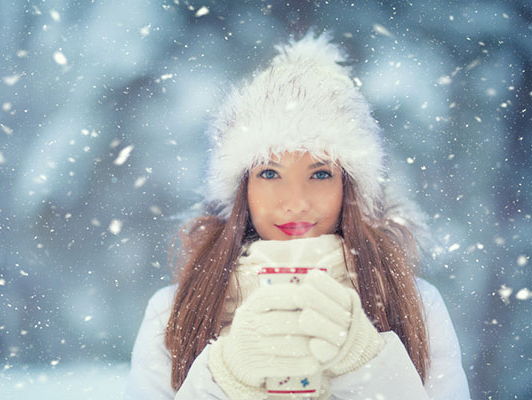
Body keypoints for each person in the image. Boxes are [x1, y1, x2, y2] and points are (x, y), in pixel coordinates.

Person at [124, 32, 471, 399]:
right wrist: (225, 376)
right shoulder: (174, 310)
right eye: (270, 173)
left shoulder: (415, 304)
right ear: (241, 189)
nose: (296, 202)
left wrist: (366, 364)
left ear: (349, 187)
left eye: (320, 173)